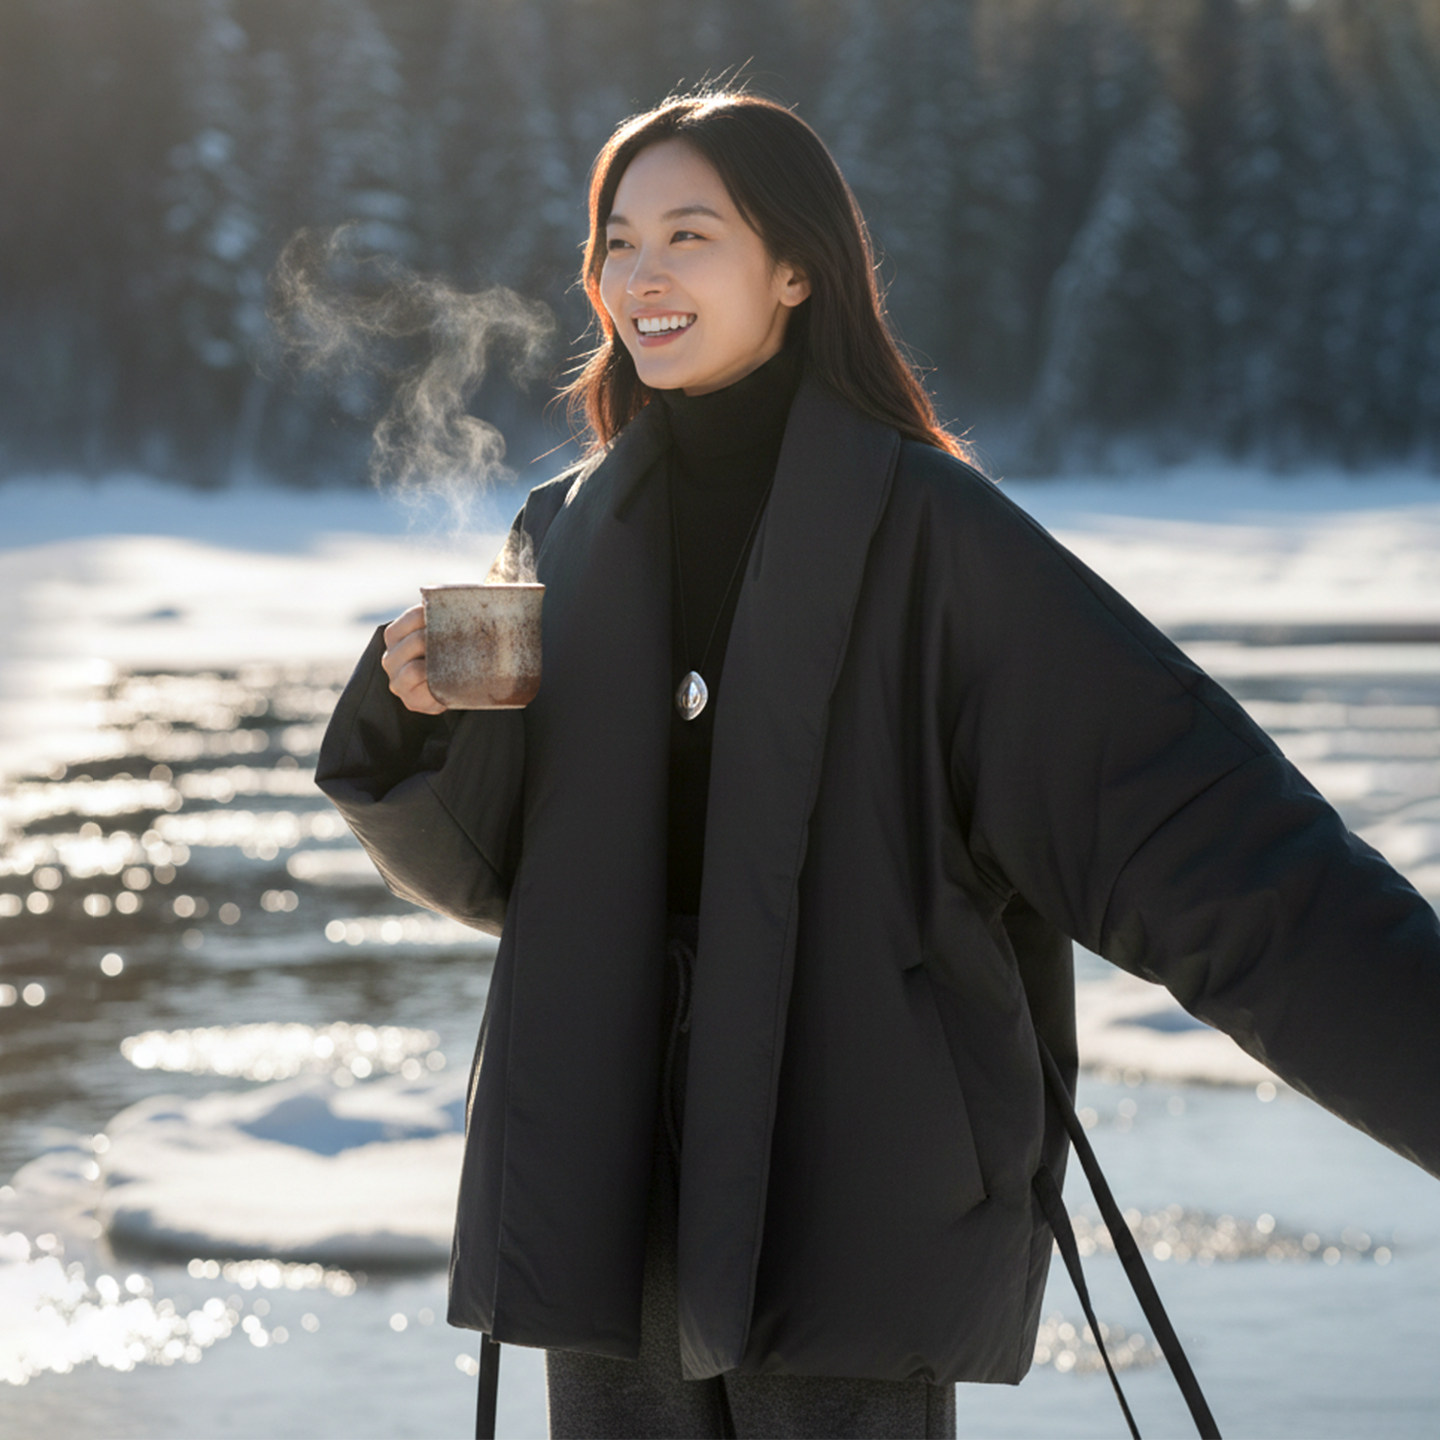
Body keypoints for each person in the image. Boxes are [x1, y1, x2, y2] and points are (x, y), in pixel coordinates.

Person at [316, 89, 1440, 1440]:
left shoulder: (940, 539)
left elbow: (1212, 845)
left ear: (797, 268)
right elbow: (507, 877)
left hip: (846, 1166)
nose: (643, 276)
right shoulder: (569, 533)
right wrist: (421, 719)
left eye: (692, 233)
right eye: (618, 242)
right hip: (602, 1160)